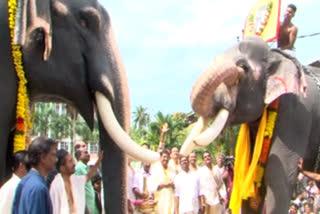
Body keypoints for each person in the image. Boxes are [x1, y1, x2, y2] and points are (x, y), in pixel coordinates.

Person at [50, 149, 103, 214]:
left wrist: (99, 160)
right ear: (62, 167)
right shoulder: (56, 185)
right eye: (70, 161)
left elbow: (88, 176)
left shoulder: (75, 180)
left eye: (73, 160)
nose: (74, 164)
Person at [12, 137, 57, 214]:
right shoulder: (38, 187)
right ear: (42, 157)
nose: (56, 159)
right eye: (53, 155)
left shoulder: (24, 181)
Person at [149, 149, 175, 214]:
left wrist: (173, 184)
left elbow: (175, 184)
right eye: (164, 157)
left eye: (167, 157)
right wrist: (164, 184)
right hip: (159, 200)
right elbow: (151, 186)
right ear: (160, 158)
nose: (166, 159)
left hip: (170, 199)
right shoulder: (155, 168)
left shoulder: (172, 169)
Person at [75, 149, 100, 214]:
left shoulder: (85, 167)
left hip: (91, 206)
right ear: (79, 156)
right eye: (85, 153)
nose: (88, 154)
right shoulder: (79, 167)